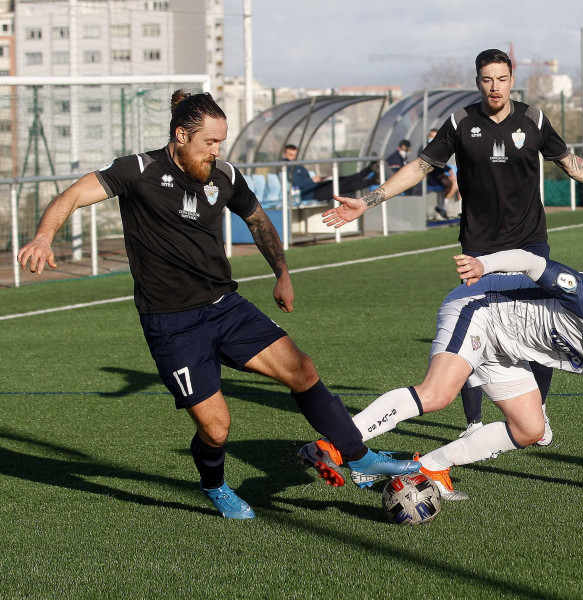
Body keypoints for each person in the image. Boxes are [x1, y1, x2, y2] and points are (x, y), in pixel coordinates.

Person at [17, 90, 420, 519]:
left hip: (226, 307)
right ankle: (214, 485)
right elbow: (72, 195)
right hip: (171, 324)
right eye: (209, 142)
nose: (216, 151)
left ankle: (358, 457)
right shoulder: (138, 170)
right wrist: (44, 236)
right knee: (216, 427)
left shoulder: (224, 175)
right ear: (180, 135)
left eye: (220, 143)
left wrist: (281, 273)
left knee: (302, 370)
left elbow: (257, 219)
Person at [322, 48, 583, 448]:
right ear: (477, 81)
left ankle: (535, 409)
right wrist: (369, 200)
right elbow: (421, 166)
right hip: (480, 246)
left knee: (537, 323)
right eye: (487, 79)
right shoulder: (461, 122)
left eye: (501, 79)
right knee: (476, 324)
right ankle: (472, 423)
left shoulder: (533, 119)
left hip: (530, 243)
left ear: (512, 79)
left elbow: (572, 164)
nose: (494, 87)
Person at [307, 249, 583, 505]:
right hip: (482, 307)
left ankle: (431, 467)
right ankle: (334, 442)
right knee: (437, 394)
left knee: (531, 428)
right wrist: (485, 265)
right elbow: (532, 262)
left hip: (508, 350)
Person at [424, 128, 459, 219]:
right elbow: (432, 164)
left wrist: (449, 172)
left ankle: (442, 208)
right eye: (431, 137)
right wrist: (444, 173)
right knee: (454, 185)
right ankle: (441, 208)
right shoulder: (426, 148)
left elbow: (442, 163)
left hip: (438, 175)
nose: (432, 139)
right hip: (430, 176)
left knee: (455, 184)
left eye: (434, 136)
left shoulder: (439, 148)